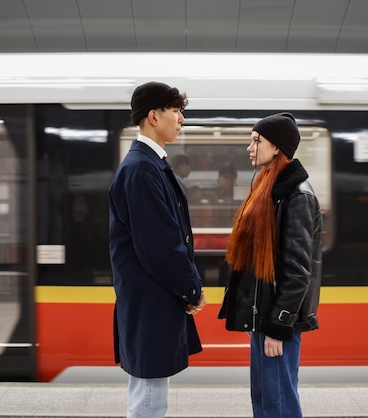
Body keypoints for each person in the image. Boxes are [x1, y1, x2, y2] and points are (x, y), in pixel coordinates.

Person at [109, 81, 206, 418]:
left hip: (151, 300)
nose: (181, 119)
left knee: (150, 392)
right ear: (153, 116)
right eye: (176, 111)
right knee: (150, 398)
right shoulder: (141, 169)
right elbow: (161, 246)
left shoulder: (149, 165)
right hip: (151, 301)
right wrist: (192, 288)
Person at [218, 112, 322, 418]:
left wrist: (278, 327)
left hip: (277, 322)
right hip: (263, 318)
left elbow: (298, 271)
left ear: (276, 147)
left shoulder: (296, 196)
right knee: (264, 400)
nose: (250, 148)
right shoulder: (269, 189)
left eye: (256, 140)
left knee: (278, 404)